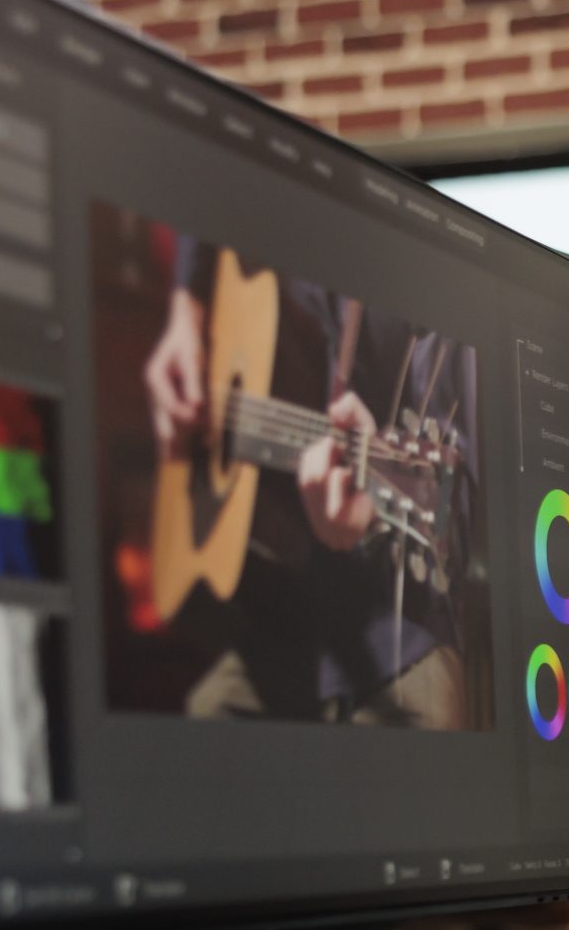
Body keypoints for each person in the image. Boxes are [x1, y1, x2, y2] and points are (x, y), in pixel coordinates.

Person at [140, 230, 476, 728]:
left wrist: (373, 499)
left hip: (394, 628)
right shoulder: (276, 262)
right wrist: (186, 307)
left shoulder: (419, 284)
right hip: (281, 618)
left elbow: (458, 491)